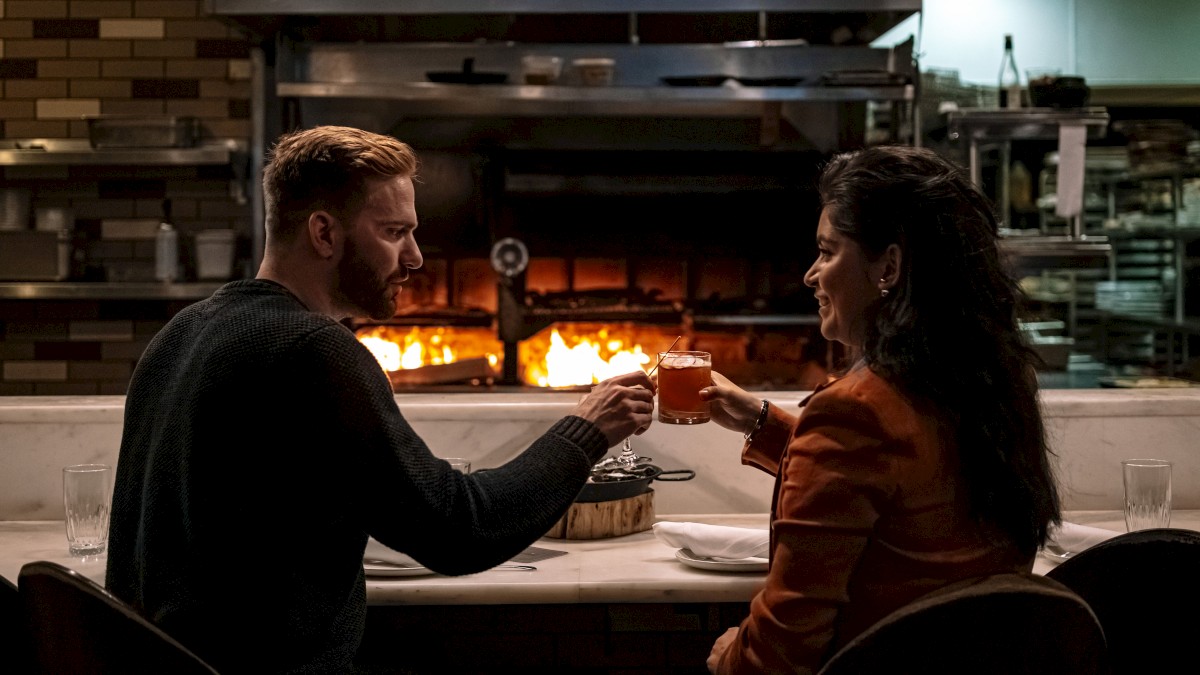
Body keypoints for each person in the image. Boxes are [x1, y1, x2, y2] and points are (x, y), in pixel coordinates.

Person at [104, 125, 656, 674]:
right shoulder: (314, 349)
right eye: (394, 232)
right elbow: (460, 530)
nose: (415, 258)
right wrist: (587, 431)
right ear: (324, 233)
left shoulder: (179, 334)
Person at [699, 145, 1062, 674]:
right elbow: (910, 483)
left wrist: (729, 654)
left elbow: (777, 657)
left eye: (827, 251)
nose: (810, 274)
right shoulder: (991, 388)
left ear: (888, 265)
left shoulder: (853, 413)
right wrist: (763, 421)